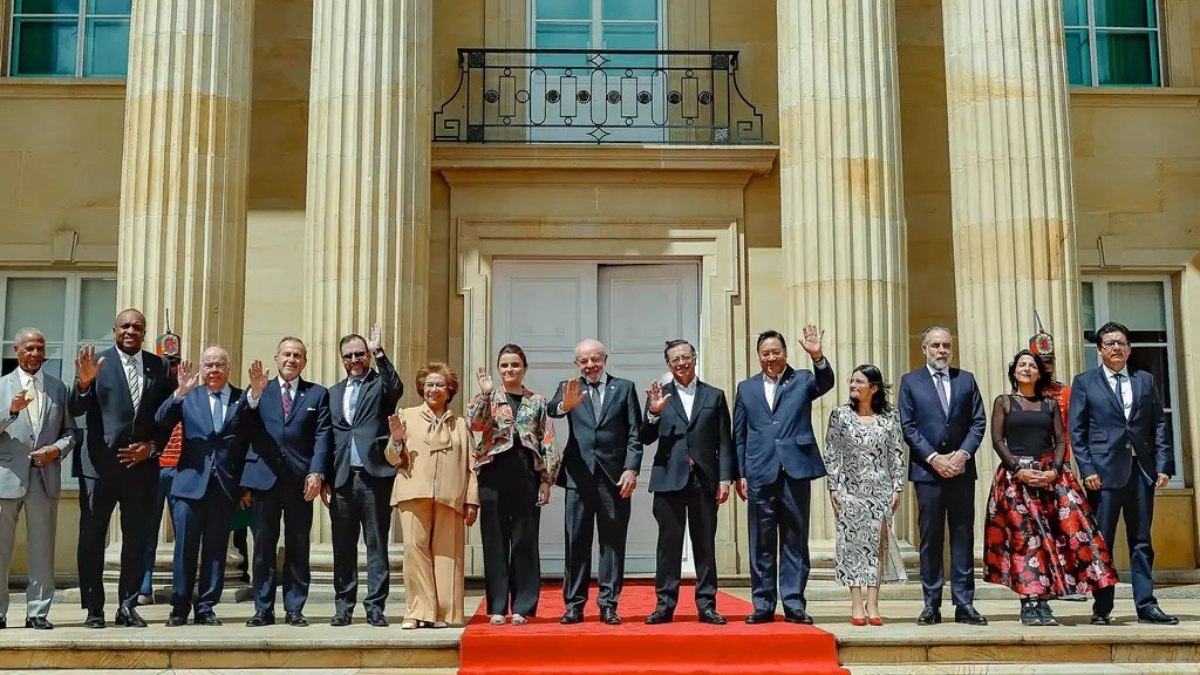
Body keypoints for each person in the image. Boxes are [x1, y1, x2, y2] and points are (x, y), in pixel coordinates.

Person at [983, 349, 1117, 627]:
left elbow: (1060, 440)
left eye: (1032, 365)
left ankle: (1044, 602)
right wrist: (1018, 469)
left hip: (1050, 478)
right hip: (1015, 479)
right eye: (1022, 364)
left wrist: (1055, 470)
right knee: (1023, 541)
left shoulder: (1049, 403)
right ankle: (1028, 603)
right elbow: (997, 440)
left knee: (1054, 539)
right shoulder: (1004, 402)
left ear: (1039, 373)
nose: (1027, 369)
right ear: (1014, 371)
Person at [70, 309, 176, 629]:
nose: (131, 331)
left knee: (137, 540)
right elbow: (75, 409)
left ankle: (127, 606)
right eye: (125, 326)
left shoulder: (160, 366)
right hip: (98, 468)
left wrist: (152, 448)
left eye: (137, 327)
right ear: (114, 329)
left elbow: (167, 418)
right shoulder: (96, 362)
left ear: (144, 332)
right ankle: (94, 609)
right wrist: (84, 384)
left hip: (140, 468)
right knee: (92, 539)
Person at [1070, 321, 1178, 625]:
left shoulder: (1145, 380)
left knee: (1142, 541)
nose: (1116, 348)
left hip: (1141, 472)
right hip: (1102, 475)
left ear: (1129, 349)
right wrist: (1087, 469)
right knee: (1101, 541)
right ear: (1099, 350)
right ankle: (1102, 607)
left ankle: (1146, 605)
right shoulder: (1085, 382)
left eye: (1121, 343)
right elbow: (1077, 431)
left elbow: (1159, 424)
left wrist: (1163, 464)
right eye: (1109, 343)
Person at [733, 326, 833, 625]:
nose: (771, 358)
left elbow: (826, 382)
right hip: (759, 471)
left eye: (776, 352)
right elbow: (740, 435)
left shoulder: (802, 379)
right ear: (758, 356)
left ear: (785, 353)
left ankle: (793, 603)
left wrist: (817, 356)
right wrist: (740, 473)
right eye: (765, 353)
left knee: (794, 539)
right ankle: (763, 604)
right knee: (761, 541)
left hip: (795, 471)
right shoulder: (746, 388)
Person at [154, 346, 257, 627]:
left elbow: (249, 440)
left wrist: (245, 484)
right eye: (209, 365)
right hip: (189, 485)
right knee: (184, 549)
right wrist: (179, 392)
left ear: (229, 369)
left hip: (224, 487)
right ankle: (179, 607)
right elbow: (161, 419)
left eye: (219, 365)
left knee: (216, 549)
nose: (214, 370)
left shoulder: (242, 399)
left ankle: (206, 607)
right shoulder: (190, 396)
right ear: (201, 369)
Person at [548, 339, 643, 626]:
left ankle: (609, 605)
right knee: (576, 541)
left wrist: (631, 469)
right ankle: (574, 605)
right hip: (578, 477)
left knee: (612, 543)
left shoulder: (624, 388)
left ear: (605, 359)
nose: (590, 365)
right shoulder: (569, 387)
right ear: (576, 364)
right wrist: (565, 405)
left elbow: (634, 434)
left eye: (595, 359)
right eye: (584, 361)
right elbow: (552, 409)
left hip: (614, 479)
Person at [640, 339, 735, 625]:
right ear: (668, 366)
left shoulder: (714, 396)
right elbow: (645, 437)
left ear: (694, 359)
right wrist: (654, 413)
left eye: (685, 357)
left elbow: (725, 441)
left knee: (704, 544)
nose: (681, 363)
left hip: (704, 480)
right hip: (668, 479)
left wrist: (725, 479)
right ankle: (664, 605)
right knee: (668, 546)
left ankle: (707, 605)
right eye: (675, 360)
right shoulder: (659, 395)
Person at [898, 326, 987, 626]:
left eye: (946, 345)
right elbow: (908, 426)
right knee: (931, 537)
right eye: (935, 345)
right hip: (928, 472)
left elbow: (978, 422)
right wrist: (934, 458)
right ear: (924, 348)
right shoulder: (910, 382)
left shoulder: (966, 380)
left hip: (961, 471)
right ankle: (931, 604)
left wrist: (962, 455)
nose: (941, 351)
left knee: (962, 535)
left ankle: (964, 603)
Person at [241, 337, 332, 628]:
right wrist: (254, 395)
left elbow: (322, 436)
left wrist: (317, 473)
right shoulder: (259, 389)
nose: (291, 359)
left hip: (300, 482)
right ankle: (263, 609)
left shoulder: (317, 394)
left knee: (298, 545)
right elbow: (241, 427)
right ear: (276, 358)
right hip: (264, 479)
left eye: (297, 355)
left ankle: (294, 608)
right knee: (263, 546)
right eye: (286, 354)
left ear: (304, 362)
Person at [467, 344, 558, 626]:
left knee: (524, 541)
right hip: (493, 475)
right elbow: (475, 425)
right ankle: (497, 606)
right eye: (505, 365)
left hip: (526, 476)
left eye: (515, 365)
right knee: (495, 541)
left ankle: (523, 606)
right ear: (498, 369)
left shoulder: (537, 401)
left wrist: (547, 480)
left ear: (524, 368)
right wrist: (485, 393)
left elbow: (547, 442)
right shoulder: (487, 397)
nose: (510, 370)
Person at [385, 363, 479, 629]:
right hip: (413, 492)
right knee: (414, 552)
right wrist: (397, 441)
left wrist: (472, 500)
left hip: (451, 496)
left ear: (449, 390)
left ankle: (444, 614)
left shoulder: (460, 424)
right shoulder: (406, 416)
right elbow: (392, 458)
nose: (433, 390)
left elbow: (471, 467)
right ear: (421, 389)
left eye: (439, 385)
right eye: (429, 385)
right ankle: (417, 612)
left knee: (448, 555)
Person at [325, 325, 403, 628]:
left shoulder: (379, 385)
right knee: (343, 546)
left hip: (374, 477)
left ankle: (375, 607)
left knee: (376, 543)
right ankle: (343, 606)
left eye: (360, 354)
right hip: (342, 478)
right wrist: (324, 477)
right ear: (342, 359)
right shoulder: (333, 393)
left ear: (367, 356)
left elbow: (396, 387)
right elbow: (327, 438)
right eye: (348, 356)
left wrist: (380, 352)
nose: (355, 360)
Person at [0, 328, 76, 629]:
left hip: (45, 477)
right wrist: (11, 410)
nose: (35, 353)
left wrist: (55, 450)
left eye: (40, 348)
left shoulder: (59, 388)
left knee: (43, 548)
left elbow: (71, 433)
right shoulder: (2, 386)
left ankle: (38, 613)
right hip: (7, 477)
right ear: (16, 350)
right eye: (29, 348)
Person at [823, 364, 906, 627]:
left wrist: (897, 487)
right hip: (850, 490)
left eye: (859, 382)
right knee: (852, 546)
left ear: (874, 388)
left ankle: (873, 601)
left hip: (880, 491)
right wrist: (833, 487)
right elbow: (832, 453)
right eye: (851, 381)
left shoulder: (890, 417)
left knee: (877, 547)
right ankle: (856, 602)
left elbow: (896, 454)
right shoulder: (840, 415)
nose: (853, 385)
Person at [138, 329, 184, 606]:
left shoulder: (188, 393)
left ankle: (181, 587)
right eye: (167, 363)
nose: (172, 368)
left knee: (183, 532)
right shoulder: (149, 393)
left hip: (180, 469)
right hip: (152, 468)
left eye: (175, 362)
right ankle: (143, 585)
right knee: (146, 531)